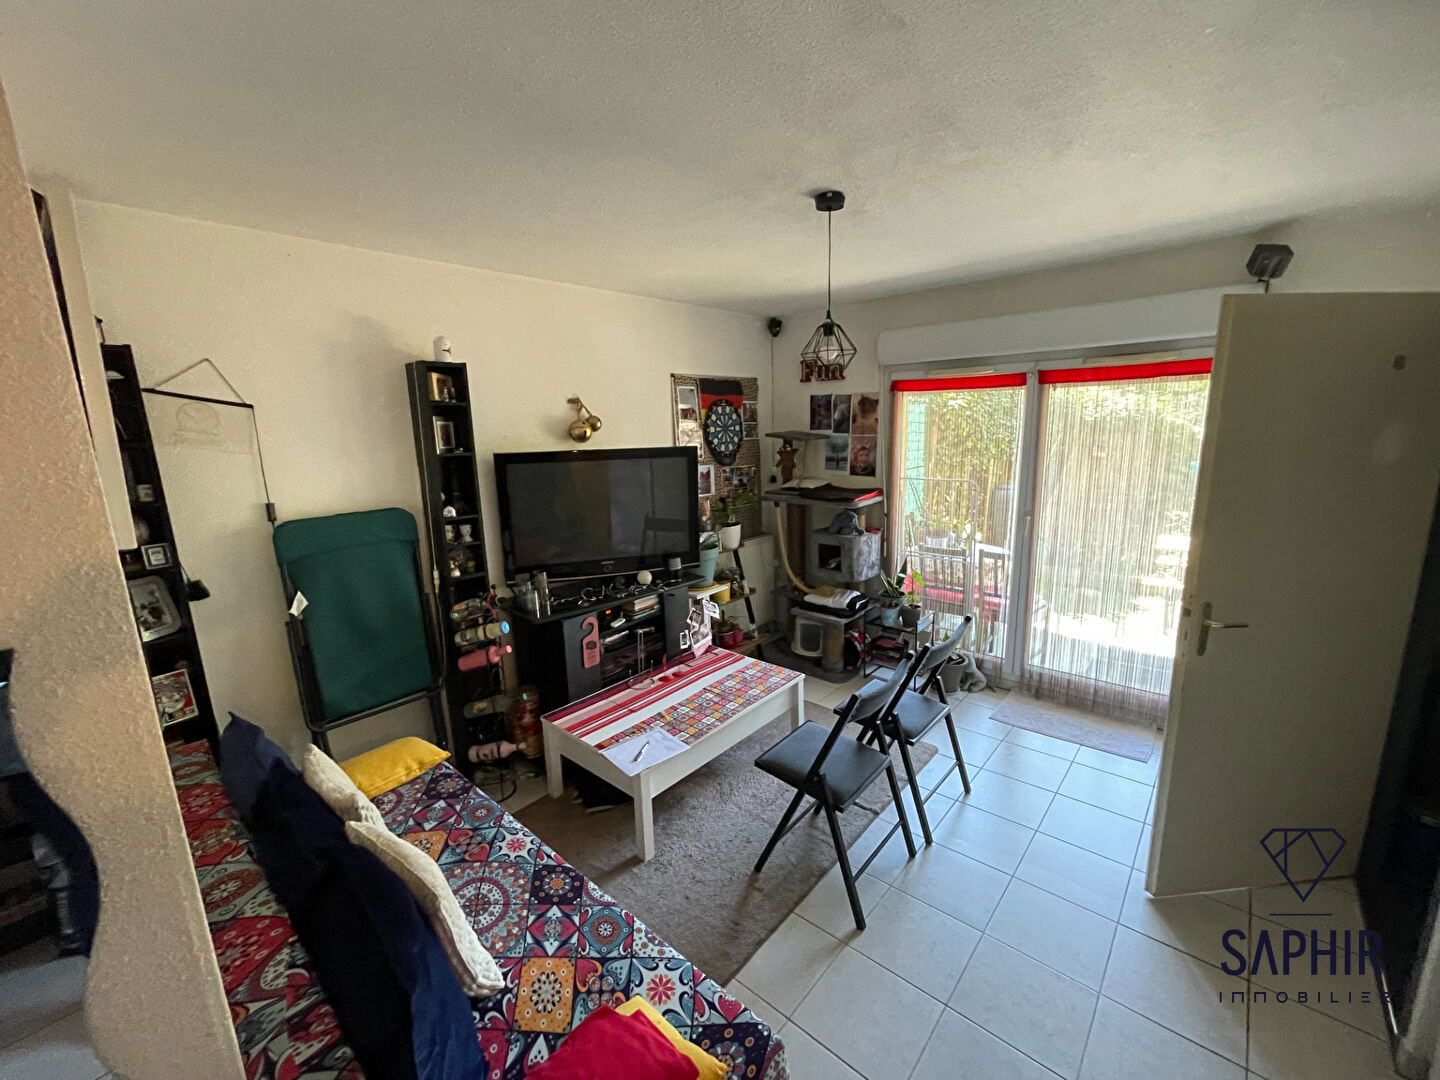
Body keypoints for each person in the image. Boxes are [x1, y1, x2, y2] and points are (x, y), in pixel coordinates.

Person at [0, 650, 99, 956]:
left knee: (85, 861)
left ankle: (90, 945)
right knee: (88, 861)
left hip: (31, 769)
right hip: (33, 769)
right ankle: (94, 947)